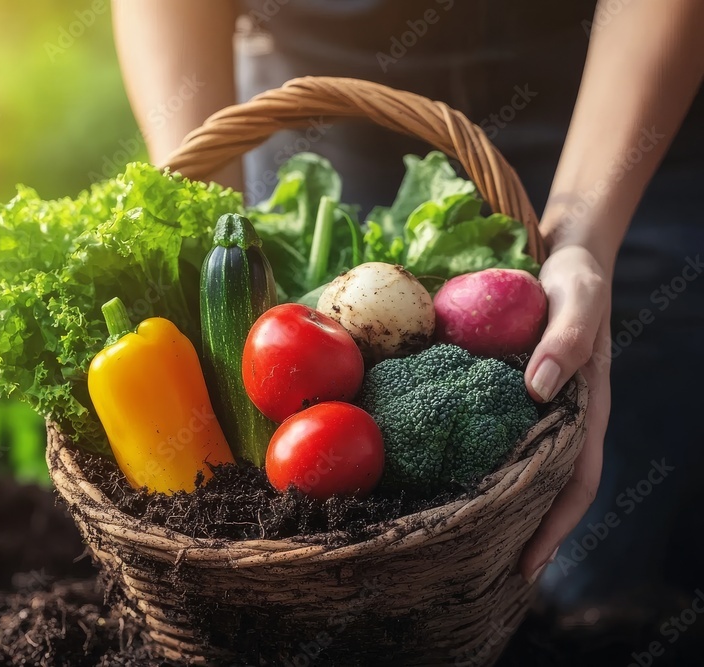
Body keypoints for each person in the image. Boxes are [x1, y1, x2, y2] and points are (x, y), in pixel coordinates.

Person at [111, 0, 704, 636]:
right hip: (322, 104)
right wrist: (201, 213)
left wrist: (584, 239)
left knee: (600, 589)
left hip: (617, 109)